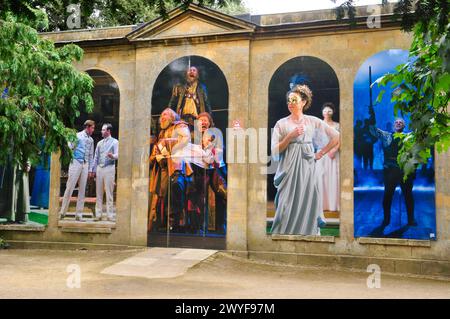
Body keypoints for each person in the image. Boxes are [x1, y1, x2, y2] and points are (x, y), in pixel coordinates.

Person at [270, 85, 339, 235]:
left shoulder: (312, 121)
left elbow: (336, 136)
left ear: (303, 102)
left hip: (307, 168)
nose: (290, 103)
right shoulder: (281, 124)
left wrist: (320, 153)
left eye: (294, 100)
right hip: (288, 170)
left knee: (308, 202)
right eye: (288, 100)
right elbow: (274, 150)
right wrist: (290, 136)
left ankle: (309, 236)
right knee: (285, 205)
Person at [368, 106, 416, 227]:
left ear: (404, 126)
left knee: (408, 196)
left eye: (401, 122)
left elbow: (420, 133)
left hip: (405, 171)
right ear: (394, 125)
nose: (398, 123)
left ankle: (410, 220)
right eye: (397, 122)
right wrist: (372, 117)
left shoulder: (409, 137)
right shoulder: (386, 136)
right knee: (387, 196)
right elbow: (373, 130)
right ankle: (386, 219)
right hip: (390, 170)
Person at [149, 108, 192, 232]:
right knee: (162, 194)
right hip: (163, 168)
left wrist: (172, 150)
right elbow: (157, 149)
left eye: (165, 114)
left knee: (175, 189)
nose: (162, 117)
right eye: (161, 115)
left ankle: (176, 222)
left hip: (176, 166)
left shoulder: (180, 125)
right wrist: (156, 156)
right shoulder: (162, 133)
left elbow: (185, 138)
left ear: (172, 117)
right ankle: (165, 223)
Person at [196, 112, 227, 234]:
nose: (203, 122)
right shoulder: (194, 135)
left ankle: (221, 224)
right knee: (199, 198)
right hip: (200, 170)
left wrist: (211, 147)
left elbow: (220, 150)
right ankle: (200, 226)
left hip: (215, 169)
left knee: (222, 194)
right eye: (200, 120)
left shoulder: (215, 134)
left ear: (210, 123)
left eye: (205, 120)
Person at [59, 120, 95, 221]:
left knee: (82, 190)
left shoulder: (91, 140)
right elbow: (70, 146)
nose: (93, 130)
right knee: (70, 187)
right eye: (92, 128)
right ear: (87, 127)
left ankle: (79, 215)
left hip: (85, 164)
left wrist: (90, 169)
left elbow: (91, 155)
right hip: (76, 162)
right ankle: (62, 212)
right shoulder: (77, 135)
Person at [90, 123, 119, 222]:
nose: (101, 131)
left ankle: (110, 215)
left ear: (108, 131)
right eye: (102, 130)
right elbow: (96, 157)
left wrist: (113, 156)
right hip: (100, 168)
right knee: (98, 193)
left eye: (103, 130)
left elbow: (118, 154)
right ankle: (98, 215)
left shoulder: (115, 142)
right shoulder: (99, 143)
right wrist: (93, 170)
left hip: (109, 168)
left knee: (109, 192)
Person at [315, 103, 340, 212]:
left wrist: (334, 150)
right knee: (321, 177)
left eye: (329, 111)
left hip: (334, 154)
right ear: (322, 112)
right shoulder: (318, 125)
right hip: (322, 153)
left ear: (333, 112)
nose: (327, 113)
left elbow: (341, 139)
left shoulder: (337, 125)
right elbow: (315, 140)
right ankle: (321, 205)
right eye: (325, 111)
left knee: (334, 177)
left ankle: (333, 205)